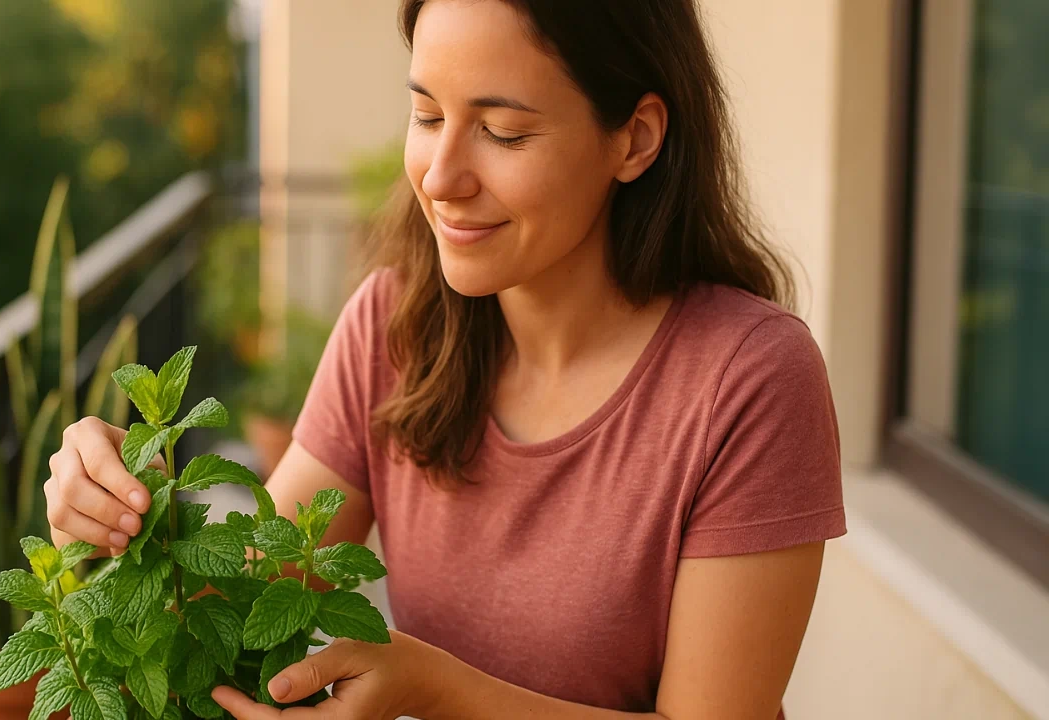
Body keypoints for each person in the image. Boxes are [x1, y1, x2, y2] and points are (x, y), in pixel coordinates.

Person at [44, 0, 846, 717]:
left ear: (634, 139)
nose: (440, 175)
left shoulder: (749, 379)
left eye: (503, 132)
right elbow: (253, 586)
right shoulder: (393, 326)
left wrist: (439, 691)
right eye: (427, 116)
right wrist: (121, 516)